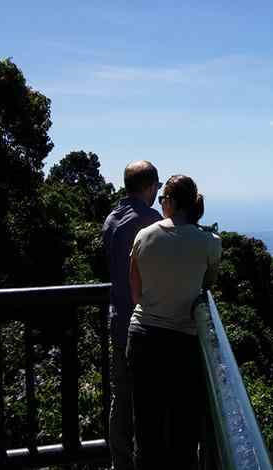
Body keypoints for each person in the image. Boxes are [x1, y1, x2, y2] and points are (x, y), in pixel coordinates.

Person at [127, 175, 222, 470]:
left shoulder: (144, 236)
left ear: (169, 202)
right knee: (184, 433)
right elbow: (207, 286)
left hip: (142, 337)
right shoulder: (210, 242)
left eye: (162, 200)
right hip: (184, 343)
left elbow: (136, 293)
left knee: (146, 431)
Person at [101, 160, 163, 470]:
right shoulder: (150, 222)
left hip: (117, 320)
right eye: (158, 187)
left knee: (121, 396)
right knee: (150, 400)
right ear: (150, 186)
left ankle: (120, 462)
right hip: (145, 323)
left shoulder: (111, 219)